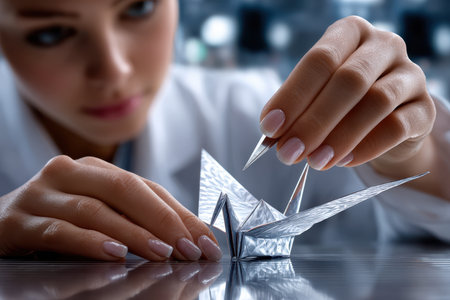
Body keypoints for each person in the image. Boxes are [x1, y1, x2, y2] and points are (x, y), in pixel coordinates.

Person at [0, 0, 448, 262]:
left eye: (139, 7)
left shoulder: (247, 110)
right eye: (51, 32)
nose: (114, 70)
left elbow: (414, 231)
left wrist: (412, 156)